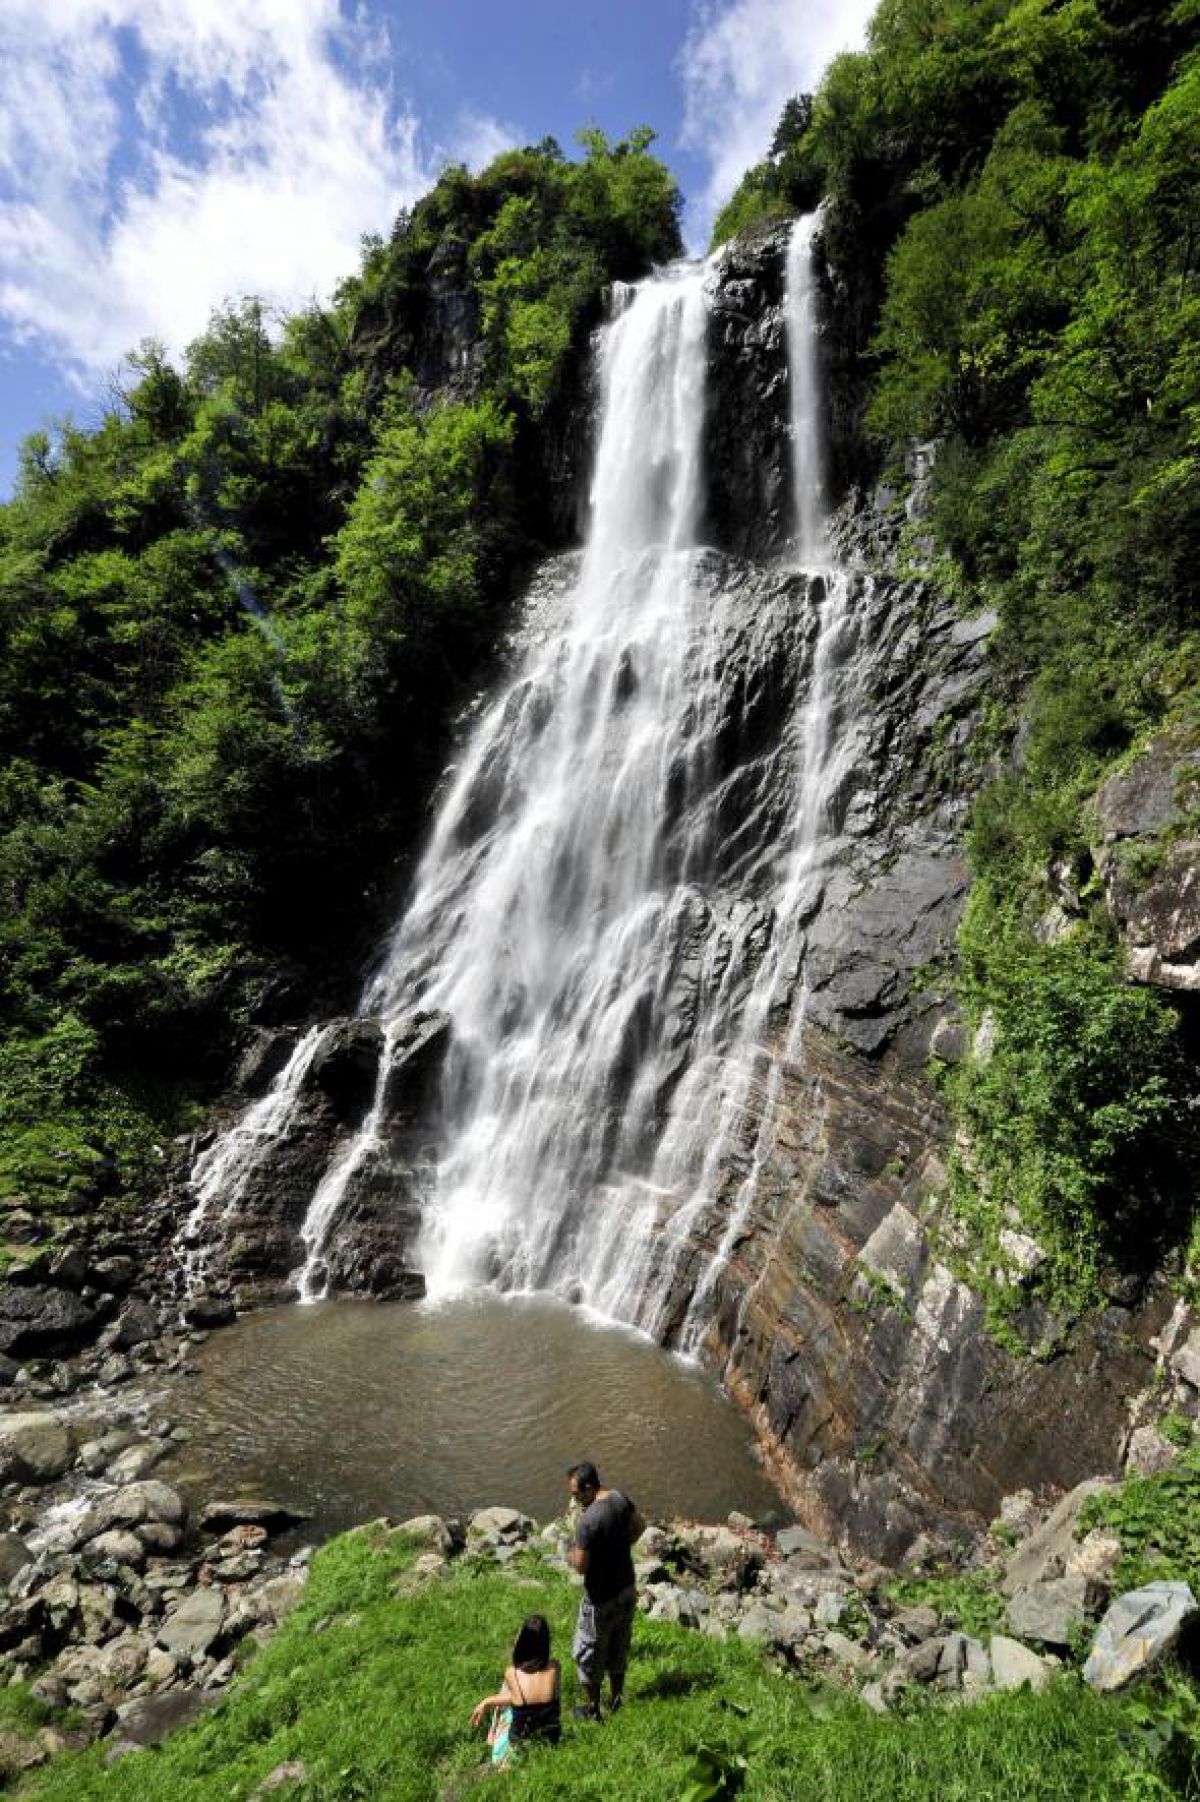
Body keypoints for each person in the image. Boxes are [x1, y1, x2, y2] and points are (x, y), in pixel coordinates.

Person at [566, 1459, 645, 1721]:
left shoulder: (589, 1521)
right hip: (626, 1589)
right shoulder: (620, 1499)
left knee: (591, 1653)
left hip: (600, 1599)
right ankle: (617, 1699)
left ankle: (592, 1710)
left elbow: (580, 1566)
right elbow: (640, 1526)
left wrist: (571, 1553)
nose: (575, 1500)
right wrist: (621, 1547)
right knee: (619, 1647)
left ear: (589, 1488)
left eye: (577, 1494)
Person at [469, 1613, 561, 1769]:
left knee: (504, 1704)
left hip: (520, 1743)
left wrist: (487, 1701)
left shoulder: (511, 1673)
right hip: (550, 1738)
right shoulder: (555, 1667)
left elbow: (515, 1697)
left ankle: (497, 1750)